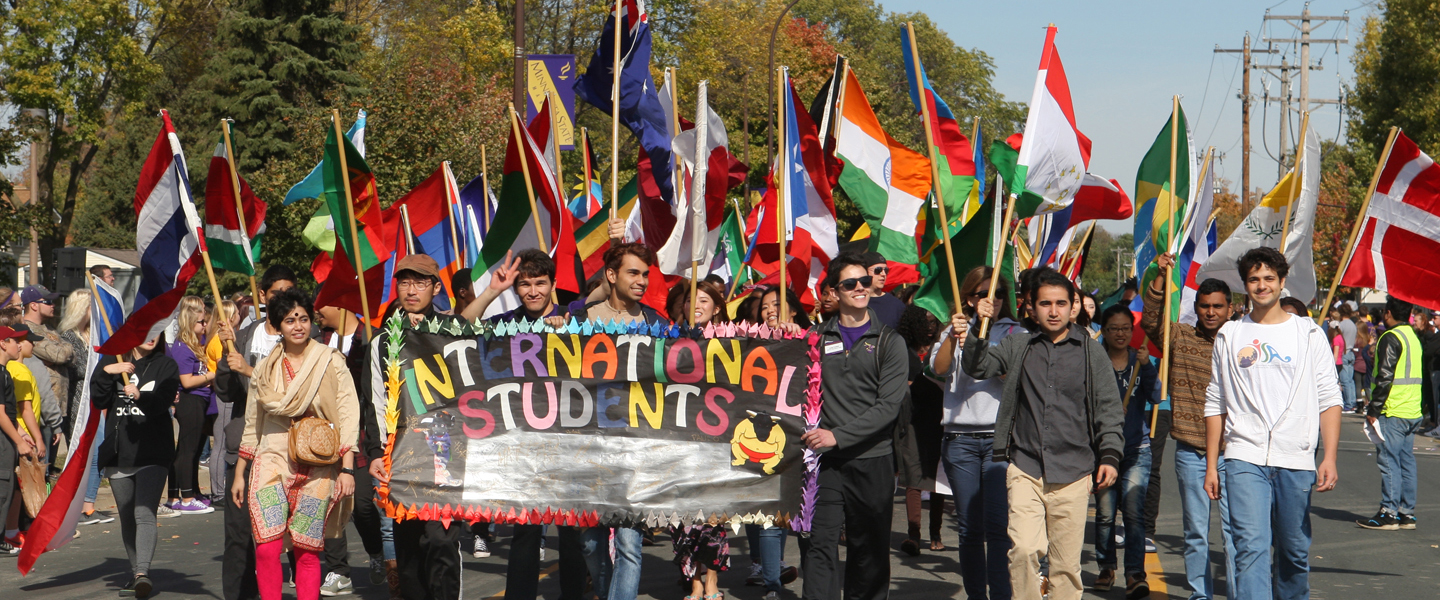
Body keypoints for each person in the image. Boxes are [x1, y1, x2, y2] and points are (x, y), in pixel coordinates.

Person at [963, 268, 1123, 600]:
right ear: (1030, 307)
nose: (1054, 311)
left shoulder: (1091, 351)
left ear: (1073, 307)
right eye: (1046, 304)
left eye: (1061, 303)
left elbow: (1109, 408)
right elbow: (979, 367)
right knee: (1022, 550)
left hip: (1075, 471)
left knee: (1065, 567)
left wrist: (1109, 455)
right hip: (1025, 468)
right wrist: (981, 327)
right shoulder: (1018, 345)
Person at [1203, 247, 1342, 600]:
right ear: (1245, 285)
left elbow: (1329, 398)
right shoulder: (1229, 335)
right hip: (1244, 456)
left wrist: (1328, 457)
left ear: (1282, 282)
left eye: (1268, 278)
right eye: (1253, 279)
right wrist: (1211, 466)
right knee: (1250, 546)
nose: (1261, 285)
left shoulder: (1309, 333)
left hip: (1295, 458)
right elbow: (1216, 401)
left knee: (1293, 551)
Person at [231, 289, 359, 600]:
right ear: (278, 325)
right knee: (267, 547)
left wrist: (347, 469)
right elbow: (253, 423)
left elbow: (347, 413)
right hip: (272, 460)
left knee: (306, 549)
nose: (298, 326)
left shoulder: (330, 361)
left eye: (302, 318)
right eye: (289, 320)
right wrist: (240, 472)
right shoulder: (265, 368)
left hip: (320, 466)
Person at [801, 253, 907, 600]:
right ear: (834, 291)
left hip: (872, 460)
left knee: (869, 553)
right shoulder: (814, 338)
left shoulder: (891, 341)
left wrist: (838, 435)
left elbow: (888, 407)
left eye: (864, 281)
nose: (860, 288)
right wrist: (784, 338)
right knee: (820, 544)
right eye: (851, 284)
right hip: (827, 463)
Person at [365, 255, 470, 600]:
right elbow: (376, 402)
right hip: (402, 457)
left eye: (421, 282)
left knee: (441, 540)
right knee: (409, 551)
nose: (411, 290)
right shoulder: (382, 342)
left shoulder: (453, 333)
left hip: (445, 455)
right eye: (405, 282)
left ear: (436, 288)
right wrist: (377, 453)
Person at [1143, 253, 1235, 600]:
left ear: (1230, 308)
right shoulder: (1180, 337)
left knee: (1234, 533)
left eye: (1218, 306)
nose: (1211, 312)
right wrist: (1159, 279)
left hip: (1234, 453)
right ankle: (1200, 594)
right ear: (1195, 308)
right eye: (1204, 306)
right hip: (1191, 453)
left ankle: (1240, 592)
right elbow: (1152, 322)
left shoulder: (1241, 343)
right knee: (1196, 531)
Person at [932, 266, 1025, 600]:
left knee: (999, 526)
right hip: (960, 441)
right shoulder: (954, 329)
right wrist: (954, 334)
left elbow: (1008, 377)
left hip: (1001, 440)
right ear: (969, 298)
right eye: (984, 295)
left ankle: (1000, 594)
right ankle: (976, 596)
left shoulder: (1015, 331)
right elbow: (939, 369)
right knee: (971, 529)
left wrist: (980, 338)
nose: (993, 301)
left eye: (999, 294)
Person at [214, 265, 300, 600]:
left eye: (289, 292)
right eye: (276, 293)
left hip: (289, 448)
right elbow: (224, 390)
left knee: (291, 533)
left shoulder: (301, 336)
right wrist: (227, 353)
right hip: (246, 450)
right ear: (262, 296)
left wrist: (251, 371)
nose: (283, 300)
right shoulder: (245, 336)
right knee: (239, 535)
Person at [89, 331, 178, 598]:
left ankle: (142, 573)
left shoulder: (166, 365)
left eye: (156, 332)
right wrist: (108, 371)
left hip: (153, 453)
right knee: (127, 518)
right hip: (119, 453)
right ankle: (135, 573)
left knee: (143, 513)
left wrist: (140, 396)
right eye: (145, 331)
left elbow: (163, 401)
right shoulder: (114, 360)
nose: (151, 337)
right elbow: (99, 399)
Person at [1092, 305, 1160, 598]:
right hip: (1103, 450)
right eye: (1114, 329)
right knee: (1106, 514)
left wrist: (1146, 367)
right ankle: (1106, 566)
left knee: (1133, 513)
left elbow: (1156, 395)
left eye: (1125, 329)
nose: (1120, 334)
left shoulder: (1139, 358)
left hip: (1136, 449)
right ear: (1104, 332)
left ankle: (1135, 574)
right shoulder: (1094, 361)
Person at [1355, 296, 1425, 531]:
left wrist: (1373, 408)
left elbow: (1385, 376)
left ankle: (1389, 512)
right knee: (1406, 462)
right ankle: (1407, 513)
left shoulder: (1391, 337)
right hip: (1412, 408)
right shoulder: (1413, 337)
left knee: (1389, 461)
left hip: (1392, 409)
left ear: (1387, 313)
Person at [896, 305, 946, 556]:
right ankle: (913, 535)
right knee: (913, 479)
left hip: (939, 420)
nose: (929, 327)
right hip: (912, 420)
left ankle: (935, 534)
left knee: (937, 479)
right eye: (923, 321)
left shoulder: (943, 348)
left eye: (933, 322)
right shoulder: (902, 350)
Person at [165, 296, 217, 514]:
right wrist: (212, 375)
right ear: (189, 322)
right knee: (188, 449)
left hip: (199, 398)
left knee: (190, 450)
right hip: (190, 399)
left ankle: (178, 496)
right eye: (201, 322)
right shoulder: (182, 347)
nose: (204, 325)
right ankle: (186, 498)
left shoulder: (195, 345)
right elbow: (186, 381)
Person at [21, 285, 72, 471]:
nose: (53, 305)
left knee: (48, 467)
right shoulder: (26, 329)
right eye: (48, 302)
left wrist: (63, 354)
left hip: (59, 406)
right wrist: (61, 355)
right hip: (41, 409)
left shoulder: (50, 328)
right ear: (33, 305)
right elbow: (58, 355)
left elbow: (68, 352)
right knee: (39, 467)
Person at [0, 326, 35, 555]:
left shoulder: (5, 372)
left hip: (8, 435)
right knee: (2, 487)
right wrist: (18, 441)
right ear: (3, 343)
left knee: (9, 486)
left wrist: (21, 432)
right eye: (14, 341)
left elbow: (9, 413)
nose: (19, 345)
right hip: (2, 440)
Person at [577, 243, 667, 326]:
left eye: (645, 275)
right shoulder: (582, 319)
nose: (642, 282)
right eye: (633, 273)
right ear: (612, 275)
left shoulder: (658, 324)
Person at [862, 252, 905, 329]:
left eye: (886, 270)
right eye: (878, 270)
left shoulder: (897, 306)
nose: (883, 274)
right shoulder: (854, 302)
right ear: (864, 272)